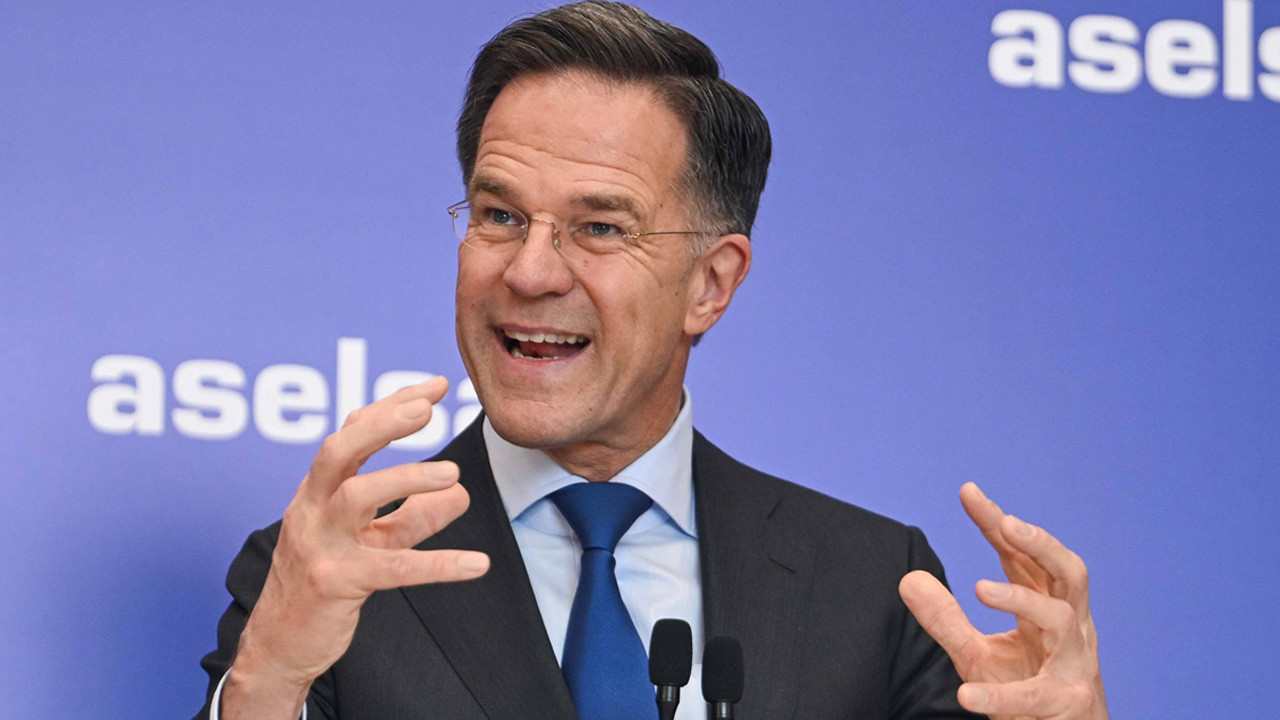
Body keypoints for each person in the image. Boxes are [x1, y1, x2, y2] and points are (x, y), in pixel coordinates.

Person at [195, 3, 1109, 719]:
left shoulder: (870, 584)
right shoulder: (324, 574)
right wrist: (268, 680)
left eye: (599, 227)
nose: (530, 271)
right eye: (499, 215)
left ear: (710, 284)